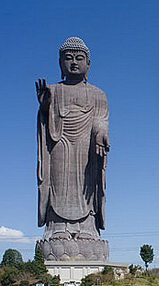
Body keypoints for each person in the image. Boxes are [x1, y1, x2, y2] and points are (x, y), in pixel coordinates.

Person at [35, 36, 110, 260]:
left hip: (87, 150)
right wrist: (45, 106)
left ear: (88, 64)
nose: (74, 63)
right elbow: (46, 123)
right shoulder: (54, 91)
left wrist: (101, 135)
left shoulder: (98, 94)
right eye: (68, 58)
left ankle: (87, 229)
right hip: (59, 145)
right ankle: (57, 228)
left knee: (88, 187)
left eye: (79, 58)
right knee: (58, 184)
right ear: (60, 63)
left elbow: (101, 120)